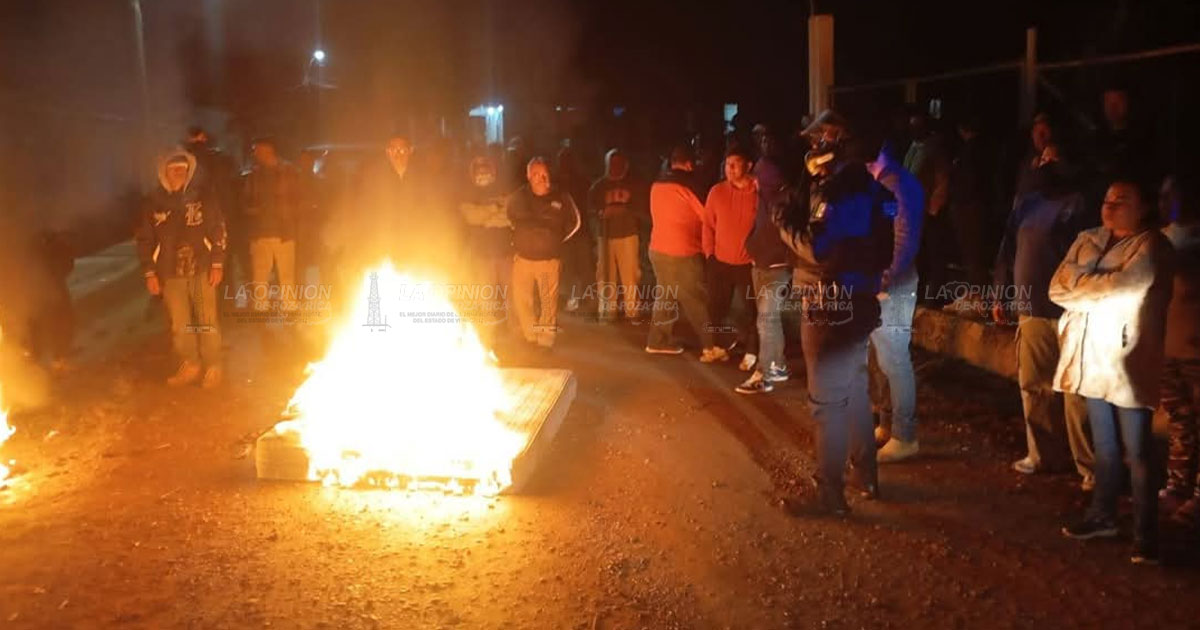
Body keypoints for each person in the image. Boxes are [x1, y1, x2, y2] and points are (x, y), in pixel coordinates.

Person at [774, 111, 893, 514]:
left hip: (829, 304)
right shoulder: (869, 189)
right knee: (855, 388)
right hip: (858, 301)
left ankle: (831, 495)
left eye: (820, 140)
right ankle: (865, 475)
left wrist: (783, 224)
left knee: (826, 400)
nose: (813, 147)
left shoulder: (841, 191)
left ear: (837, 143)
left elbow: (818, 248)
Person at [1052, 178, 1174, 565]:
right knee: (1104, 447)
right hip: (1091, 358)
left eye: (1122, 199)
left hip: (1127, 361)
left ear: (1143, 207)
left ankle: (1145, 533)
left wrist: (1081, 285)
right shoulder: (1088, 237)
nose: (1111, 204)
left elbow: (1129, 285)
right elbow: (1056, 288)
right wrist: (1091, 287)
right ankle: (1102, 515)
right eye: (1106, 197)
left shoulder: (1152, 245)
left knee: (1137, 450)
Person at [993, 151, 1095, 485]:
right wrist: (1001, 292)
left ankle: (1090, 467)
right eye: (1042, 158)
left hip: (1071, 310)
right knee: (1034, 386)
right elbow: (1008, 249)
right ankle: (1043, 455)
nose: (1046, 162)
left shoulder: (1082, 203)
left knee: (1077, 392)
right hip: (1031, 307)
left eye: (1055, 155)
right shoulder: (1027, 202)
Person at [135, 150, 227, 387]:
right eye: (174, 168)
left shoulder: (203, 197)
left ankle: (213, 365)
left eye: (184, 169)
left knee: (206, 321)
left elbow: (218, 229)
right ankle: (191, 363)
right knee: (180, 324)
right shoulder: (153, 202)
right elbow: (144, 239)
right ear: (164, 172)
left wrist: (217, 262)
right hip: (170, 272)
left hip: (202, 268)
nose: (179, 172)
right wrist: (150, 272)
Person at [866, 139, 925, 462]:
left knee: (895, 361)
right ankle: (888, 425)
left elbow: (902, 240)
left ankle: (905, 435)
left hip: (893, 284)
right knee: (883, 360)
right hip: (886, 281)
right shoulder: (889, 181)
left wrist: (883, 279)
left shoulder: (897, 186)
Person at [644, 145, 723, 361]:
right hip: (683, 250)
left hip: (658, 248)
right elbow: (707, 216)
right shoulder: (688, 185)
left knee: (665, 296)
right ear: (689, 164)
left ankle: (657, 341)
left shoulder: (657, 183)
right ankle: (710, 346)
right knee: (694, 298)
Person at [735, 126, 793, 395]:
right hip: (761, 261)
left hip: (776, 265)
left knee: (766, 320)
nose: (754, 182)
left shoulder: (780, 201)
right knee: (768, 318)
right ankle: (778, 365)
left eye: (758, 178)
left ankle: (764, 373)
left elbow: (784, 231)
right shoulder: (764, 196)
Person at [1158, 175, 1200, 527]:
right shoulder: (1160, 240)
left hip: (1195, 351)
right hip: (1169, 350)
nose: (1165, 202)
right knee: (1180, 421)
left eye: (1172, 196)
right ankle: (1178, 484)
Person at [506, 158, 581, 349]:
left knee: (548, 303)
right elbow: (509, 220)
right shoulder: (518, 197)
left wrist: (555, 242)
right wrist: (519, 241)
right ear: (528, 176)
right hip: (523, 259)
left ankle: (546, 340)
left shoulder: (561, 197)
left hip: (548, 260)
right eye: (536, 174)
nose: (541, 178)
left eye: (544, 173)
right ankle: (530, 336)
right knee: (522, 300)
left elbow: (575, 222)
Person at [703, 145, 760, 371]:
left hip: (747, 263)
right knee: (716, 307)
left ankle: (752, 351)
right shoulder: (717, 192)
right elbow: (707, 225)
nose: (731, 168)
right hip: (720, 261)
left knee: (751, 310)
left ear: (749, 166)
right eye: (728, 164)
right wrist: (709, 253)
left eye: (736, 164)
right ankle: (718, 346)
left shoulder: (758, 193)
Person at [459, 155, 513, 345]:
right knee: (486, 301)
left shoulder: (504, 192)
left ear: (493, 172)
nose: (483, 174)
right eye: (479, 171)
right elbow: (472, 217)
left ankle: (517, 337)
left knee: (512, 299)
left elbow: (509, 216)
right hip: (482, 256)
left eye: (486, 170)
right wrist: (494, 209)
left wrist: (486, 216)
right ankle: (488, 339)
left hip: (506, 253)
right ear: (473, 173)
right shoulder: (468, 193)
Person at [242, 137, 300, 312]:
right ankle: (262, 312)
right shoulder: (253, 175)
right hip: (261, 234)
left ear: (268, 150)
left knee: (287, 277)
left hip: (284, 232)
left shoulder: (288, 172)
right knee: (260, 277)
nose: (255, 154)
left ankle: (290, 311)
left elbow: (297, 198)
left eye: (258, 150)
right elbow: (244, 201)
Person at [589, 148, 647, 324]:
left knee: (630, 274)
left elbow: (641, 210)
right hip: (605, 236)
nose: (616, 167)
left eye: (620, 163)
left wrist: (624, 210)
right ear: (607, 164)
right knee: (606, 275)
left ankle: (633, 311)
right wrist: (603, 213)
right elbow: (591, 210)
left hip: (628, 235)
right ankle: (608, 311)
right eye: (612, 163)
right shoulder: (598, 186)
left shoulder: (634, 185)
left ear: (626, 165)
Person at [903, 110, 950, 304]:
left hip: (928, 212)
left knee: (933, 254)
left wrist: (934, 207)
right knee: (918, 255)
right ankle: (919, 293)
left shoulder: (934, 149)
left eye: (918, 125)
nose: (914, 130)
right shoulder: (914, 147)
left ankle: (933, 296)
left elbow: (942, 180)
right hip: (912, 210)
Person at [948, 116, 996, 289]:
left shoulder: (971, 151)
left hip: (969, 208)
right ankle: (977, 290)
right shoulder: (981, 149)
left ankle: (978, 294)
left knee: (973, 254)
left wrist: (958, 201)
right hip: (973, 206)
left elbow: (967, 181)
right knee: (973, 254)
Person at [555, 142, 595, 313]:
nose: (565, 164)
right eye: (563, 160)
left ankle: (587, 299)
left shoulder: (580, 181)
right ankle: (576, 299)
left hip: (579, 232)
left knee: (582, 268)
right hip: (566, 234)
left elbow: (589, 205)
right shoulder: (557, 183)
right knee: (571, 268)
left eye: (567, 160)